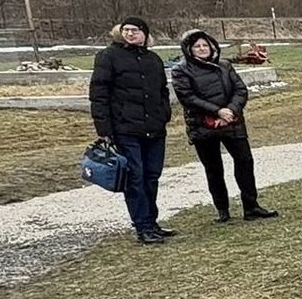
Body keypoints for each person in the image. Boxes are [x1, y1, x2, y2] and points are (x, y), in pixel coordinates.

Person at [171, 29, 277, 225]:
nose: (202, 49)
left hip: (231, 122)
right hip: (203, 125)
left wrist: (229, 111)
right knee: (213, 168)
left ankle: (251, 205)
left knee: (245, 162)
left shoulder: (225, 65)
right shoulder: (181, 70)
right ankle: (222, 209)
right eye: (197, 46)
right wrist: (216, 112)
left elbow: (240, 90)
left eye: (205, 45)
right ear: (189, 49)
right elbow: (188, 98)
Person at [90, 17, 176, 245]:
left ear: (145, 34)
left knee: (152, 176)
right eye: (126, 30)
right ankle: (143, 226)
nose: (130, 34)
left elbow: (162, 91)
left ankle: (152, 221)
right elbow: (99, 94)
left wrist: (164, 114)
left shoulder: (153, 59)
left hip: (154, 128)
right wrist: (104, 128)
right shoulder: (108, 57)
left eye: (135, 30)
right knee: (135, 178)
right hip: (125, 127)